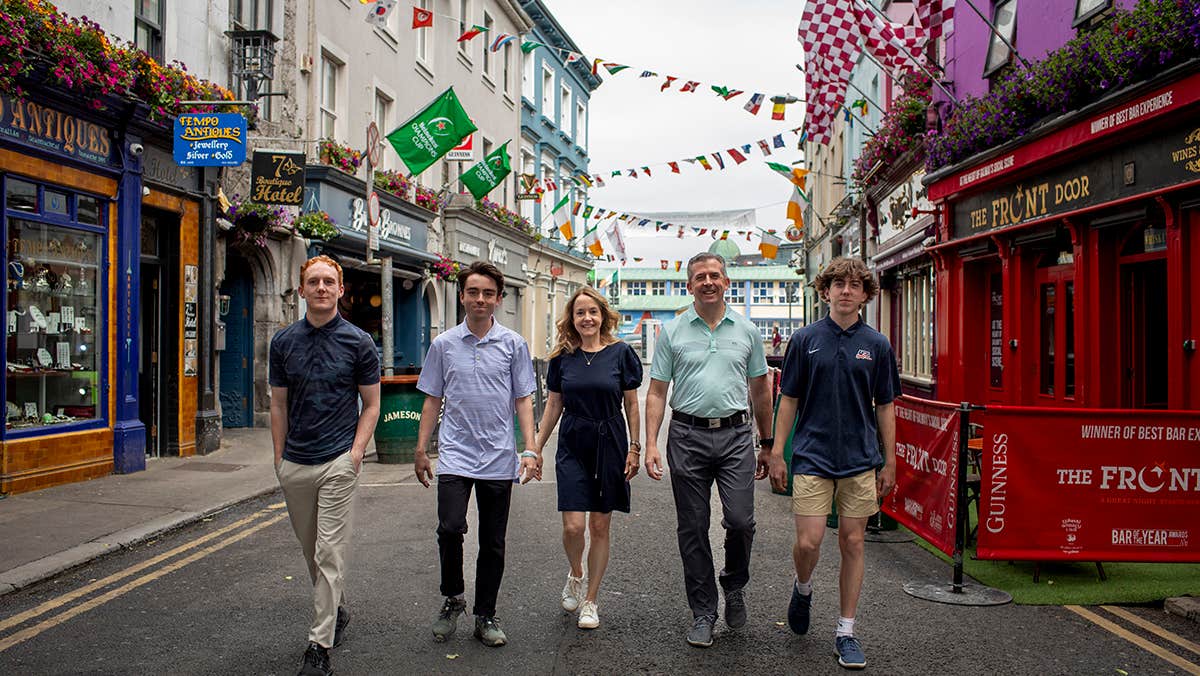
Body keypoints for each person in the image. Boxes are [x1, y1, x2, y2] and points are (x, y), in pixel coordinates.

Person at [767, 256, 899, 671]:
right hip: (811, 455)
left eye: (854, 285)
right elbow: (788, 400)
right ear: (825, 291)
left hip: (859, 459)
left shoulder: (877, 345)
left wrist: (890, 460)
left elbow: (886, 406)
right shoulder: (805, 339)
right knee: (808, 542)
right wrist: (776, 452)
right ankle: (803, 587)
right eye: (838, 284)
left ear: (864, 294)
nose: (846, 290)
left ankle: (845, 631)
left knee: (853, 542)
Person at [643, 252, 774, 648]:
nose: (708, 282)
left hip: (736, 436)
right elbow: (657, 392)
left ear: (727, 282)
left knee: (739, 521)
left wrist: (767, 444)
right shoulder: (673, 331)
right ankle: (703, 611)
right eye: (700, 276)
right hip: (686, 434)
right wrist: (651, 442)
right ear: (690, 286)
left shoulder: (747, 331)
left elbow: (761, 390)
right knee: (692, 527)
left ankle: (733, 585)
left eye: (715, 275)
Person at [413, 261, 537, 648]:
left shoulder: (513, 344)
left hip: (499, 457)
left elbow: (523, 400)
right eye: (473, 292)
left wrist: (530, 448)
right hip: (454, 455)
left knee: (493, 541)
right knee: (450, 528)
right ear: (462, 296)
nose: (480, 299)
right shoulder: (444, 344)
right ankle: (453, 598)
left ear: (498, 299)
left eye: (487, 293)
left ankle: (486, 613)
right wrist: (421, 449)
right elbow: (432, 398)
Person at [269, 255, 381, 676]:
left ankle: (319, 647)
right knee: (310, 551)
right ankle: (337, 608)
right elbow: (278, 405)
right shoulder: (283, 342)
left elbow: (371, 405)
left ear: (340, 290)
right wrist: (278, 459)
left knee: (329, 551)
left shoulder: (358, 342)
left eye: (328, 282)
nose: (320, 288)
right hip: (295, 461)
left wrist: (355, 454)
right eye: (313, 282)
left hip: (338, 459)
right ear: (302, 290)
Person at [533, 287, 642, 630]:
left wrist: (635, 447)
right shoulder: (562, 358)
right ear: (572, 319)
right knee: (573, 526)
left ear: (603, 315)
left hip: (610, 441)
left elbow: (632, 404)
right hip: (573, 442)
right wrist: (535, 448)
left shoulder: (621, 353)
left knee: (599, 525)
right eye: (580, 313)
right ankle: (575, 573)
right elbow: (553, 405)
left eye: (592, 312)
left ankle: (591, 601)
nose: (587, 318)